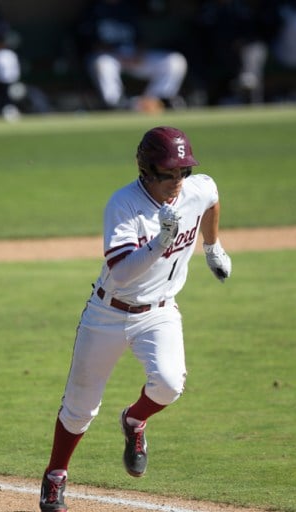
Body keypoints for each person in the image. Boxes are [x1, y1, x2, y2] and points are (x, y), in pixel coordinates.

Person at [39, 126, 232, 512]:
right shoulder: (123, 204)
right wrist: (161, 242)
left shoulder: (194, 188)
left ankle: (134, 420)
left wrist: (212, 247)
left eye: (183, 172)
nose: (177, 181)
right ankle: (56, 475)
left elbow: (211, 197)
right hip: (108, 313)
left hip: (159, 312)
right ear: (146, 170)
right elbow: (123, 272)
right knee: (80, 409)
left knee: (169, 385)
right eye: (168, 173)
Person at [76, 0, 188, 111]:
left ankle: (157, 100)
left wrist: (139, 54)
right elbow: (90, 43)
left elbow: (140, 39)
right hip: (109, 56)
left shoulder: (129, 8)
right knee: (102, 63)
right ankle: (116, 103)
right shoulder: (92, 10)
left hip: (132, 54)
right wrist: (118, 55)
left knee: (175, 61)